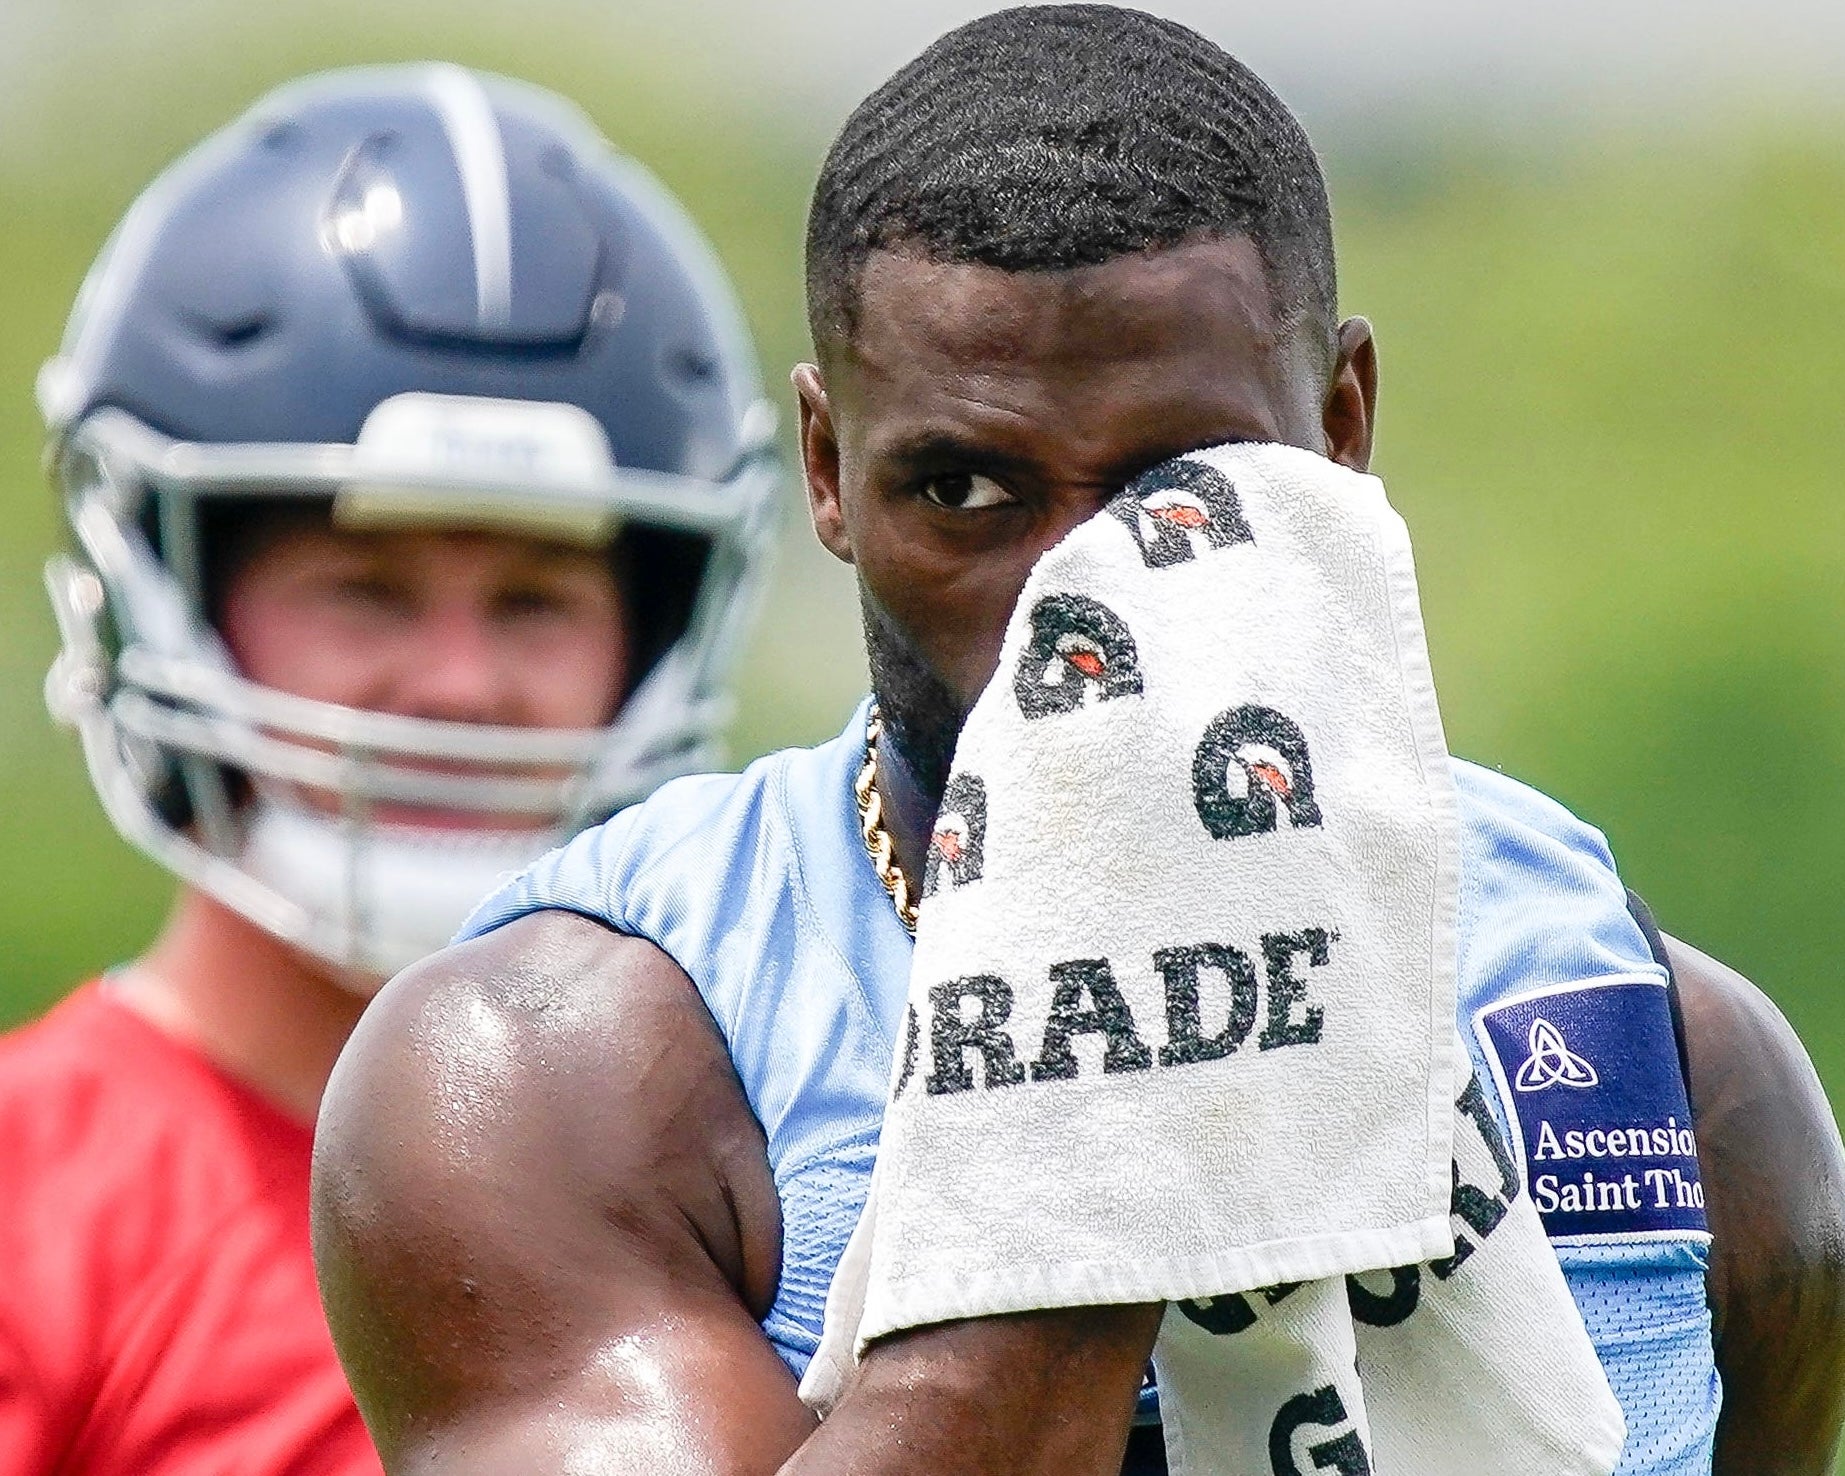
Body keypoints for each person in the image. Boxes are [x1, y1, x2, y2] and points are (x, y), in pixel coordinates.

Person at [313, 10, 1845, 1476]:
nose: (1075, 609)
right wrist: (1097, 1094)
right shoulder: (557, 1071)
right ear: (829, 472)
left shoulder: (1645, 1045)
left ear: (1340, 424)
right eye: (965, 494)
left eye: (1178, 486)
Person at [1, 63, 776, 1474]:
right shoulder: (32, 1205)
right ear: (162, 603)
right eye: (363, 586)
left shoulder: (782, 1171)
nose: (460, 684)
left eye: (538, 599)